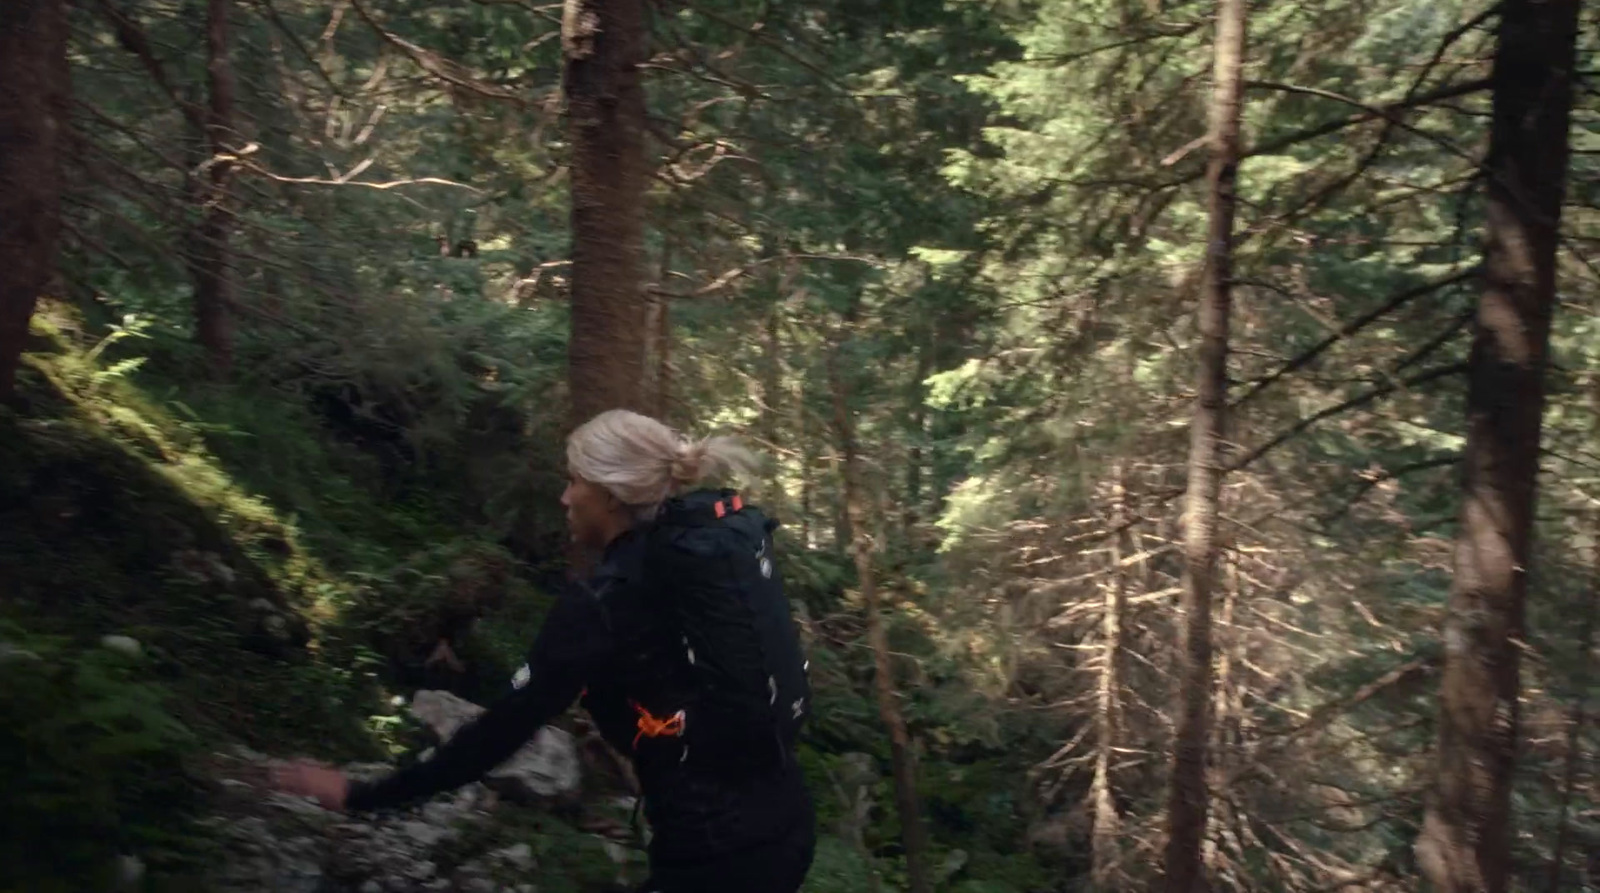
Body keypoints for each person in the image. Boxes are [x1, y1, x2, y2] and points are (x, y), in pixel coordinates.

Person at [272, 409, 816, 893]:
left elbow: (501, 730)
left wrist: (360, 794)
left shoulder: (604, 603)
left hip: (715, 858)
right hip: (785, 826)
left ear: (607, 494)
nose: (563, 497)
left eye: (573, 480)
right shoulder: (697, 552)